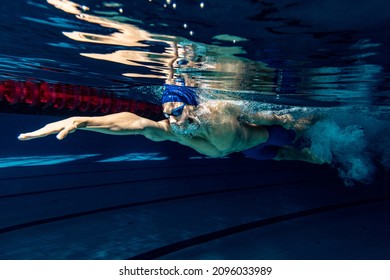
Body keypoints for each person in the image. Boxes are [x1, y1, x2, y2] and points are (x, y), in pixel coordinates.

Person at [18, 84, 324, 164]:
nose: (169, 118)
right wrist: (81, 120)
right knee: (284, 156)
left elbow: (266, 116)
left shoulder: (220, 112)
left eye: (175, 110)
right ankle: (314, 156)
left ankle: (319, 126)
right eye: (165, 112)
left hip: (263, 134)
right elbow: (134, 124)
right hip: (247, 150)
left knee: (292, 134)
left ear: (191, 106)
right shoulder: (173, 131)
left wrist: (295, 119)